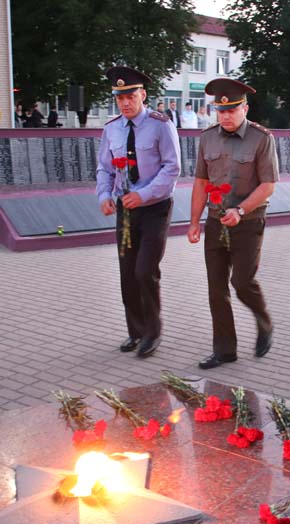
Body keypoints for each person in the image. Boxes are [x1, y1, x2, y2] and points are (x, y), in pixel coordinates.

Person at [187, 78, 278, 370]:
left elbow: (268, 186)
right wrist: (193, 222)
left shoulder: (261, 138)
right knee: (216, 289)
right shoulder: (207, 138)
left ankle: (264, 322)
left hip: (248, 222)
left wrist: (240, 210)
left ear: (244, 108)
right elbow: (201, 182)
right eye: (220, 110)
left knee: (241, 282)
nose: (226, 115)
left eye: (232, 109)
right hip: (215, 222)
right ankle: (225, 350)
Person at [95, 66, 181, 358]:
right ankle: (135, 331)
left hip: (155, 208)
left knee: (146, 271)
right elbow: (105, 168)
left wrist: (142, 194)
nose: (125, 103)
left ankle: (153, 333)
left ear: (142, 95)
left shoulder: (161, 124)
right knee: (127, 274)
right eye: (120, 98)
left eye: (130, 96)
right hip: (126, 210)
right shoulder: (112, 129)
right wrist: (105, 195)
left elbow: (172, 168)